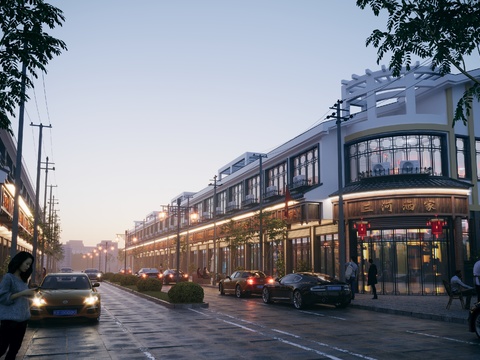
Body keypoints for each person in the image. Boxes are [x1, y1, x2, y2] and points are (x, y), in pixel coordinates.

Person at [0, 251, 36, 360]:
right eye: (26, 263)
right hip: (10, 321)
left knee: (14, 350)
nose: (27, 267)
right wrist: (23, 293)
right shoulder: (8, 277)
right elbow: (2, 297)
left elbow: (22, 299)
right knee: (2, 348)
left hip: (23, 320)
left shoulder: (23, 279)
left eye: (29, 265)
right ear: (19, 262)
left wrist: (31, 293)